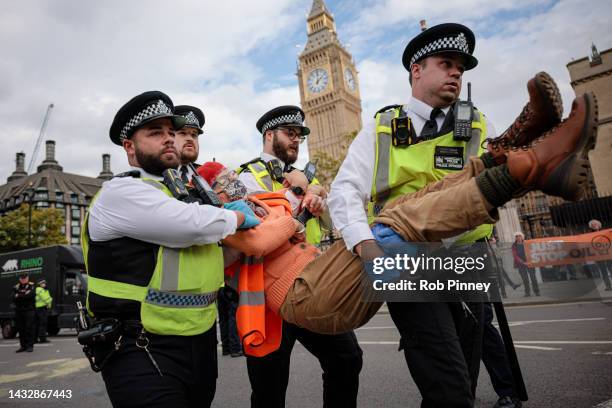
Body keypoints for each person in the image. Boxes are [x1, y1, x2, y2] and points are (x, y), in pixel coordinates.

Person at [201, 86, 596, 341]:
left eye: (232, 187)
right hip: (303, 292)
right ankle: (524, 169)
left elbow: (313, 222)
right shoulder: (228, 217)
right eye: (224, 188)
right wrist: (295, 206)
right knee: (392, 223)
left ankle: (508, 154)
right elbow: (260, 239)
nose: (233, 191)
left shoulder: (275, 192)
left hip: (321, 272)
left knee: (402, 211)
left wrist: (305, 202)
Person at [328, 22, 567, 407]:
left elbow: (489, 191)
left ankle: (534, 149)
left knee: (464, 381)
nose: (457, 71)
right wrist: (366, 246)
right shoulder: (382, 126)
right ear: (416, 70)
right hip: (406, 259)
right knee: (450, 387)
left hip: (467, 260)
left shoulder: (475, 122)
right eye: (446, 62)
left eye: (461, 66)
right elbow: (343, 191)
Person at [82, 91, 259, 408]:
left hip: (199, 339)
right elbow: (191, 226)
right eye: (154, 133)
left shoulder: (181, 194)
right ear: (129, 147)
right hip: (138, 344)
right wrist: (236, 216)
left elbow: (206, 258)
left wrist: (243, 244)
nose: (169, 139)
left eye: (171, 132)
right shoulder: (123, 191)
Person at [237, 105, 363, 408]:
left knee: (347, 358)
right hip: (268, 297)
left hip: (309, 287)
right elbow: (257, 226)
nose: (296, 140)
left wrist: (319, 199)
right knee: (270, 388)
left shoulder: (307, 179)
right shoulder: (246, 176)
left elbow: (330, 226)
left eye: (299, 136)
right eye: (289, 134)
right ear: (269, 136)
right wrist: (299, 192)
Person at [173, 105, 243, 357]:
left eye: (195, 134)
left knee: (204, 387)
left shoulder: (205, 174)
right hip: (170, 299)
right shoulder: (160, 176)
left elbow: (243, 198)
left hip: (206, 294)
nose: (191, 138)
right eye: (183, 133)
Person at [12, 273, 36, 352]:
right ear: (19, 279)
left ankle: (30, 346)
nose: (23, 280)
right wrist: (23, 295)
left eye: (25, 278)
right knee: (21, 329)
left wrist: (19, 295)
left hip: (29, 310)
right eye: (22, 278)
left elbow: (30, 296)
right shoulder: (16, 286)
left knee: (29, 328)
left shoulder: (31, 286)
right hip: (19, 310)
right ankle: (23, 346)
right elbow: (13, 297)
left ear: (27, 278)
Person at [512, 232, 540, 296]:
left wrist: (530, 261)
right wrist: (523, 262)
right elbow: (515, 255)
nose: (518, 237)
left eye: (519, 236)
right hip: (521, 264)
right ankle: (527, 292)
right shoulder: (514, 245)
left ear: (522, 237)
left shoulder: (527, 243)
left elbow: (532, 251)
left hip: (529, 263)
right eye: (516, 236)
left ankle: (536, 291)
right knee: (525, 279)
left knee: (533, 278)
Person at [586, 219, 612, 290]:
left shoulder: (606, 232)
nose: (594, 225)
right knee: (603, 272)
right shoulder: (590, 234)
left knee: (611, 269)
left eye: (595, 224)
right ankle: (608, 286)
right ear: (591, 227)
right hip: (599, 256)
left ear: (599, 225)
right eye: (593, 225)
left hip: (608, 255)